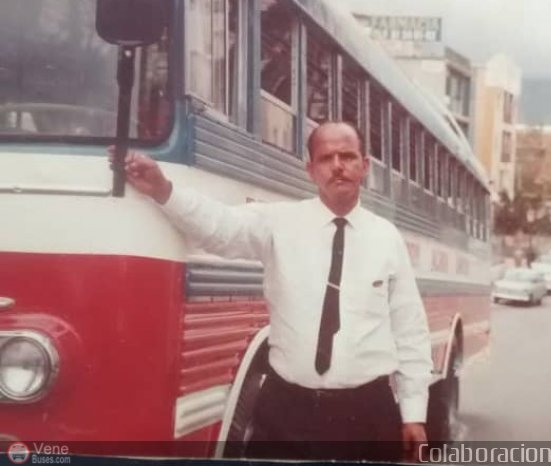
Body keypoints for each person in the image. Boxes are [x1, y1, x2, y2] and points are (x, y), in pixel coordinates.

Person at [111, 121, 432, 461]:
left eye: (348, 156)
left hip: (367, 413)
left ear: (364, 166)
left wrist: (414, 414)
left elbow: (409, 329)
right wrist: (163, 190)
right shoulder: (279, 223)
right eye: (326, 158)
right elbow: (219, 226)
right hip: (288, 411)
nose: (338, 166)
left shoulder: (386, 238)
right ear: (310, 170)